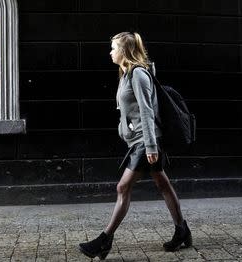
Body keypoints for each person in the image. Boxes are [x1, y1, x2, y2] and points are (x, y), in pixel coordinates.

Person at [78, 32, 192, 260]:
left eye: (113, 48)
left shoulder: (138, 74)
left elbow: (147, 112)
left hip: (146, 141)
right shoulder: (126, 74)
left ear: (125, 51)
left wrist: (150, 146)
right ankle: (182, 230)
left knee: (123, 187)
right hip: (139, 140)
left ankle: (104, 240)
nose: (110, 52)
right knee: (163, 184)